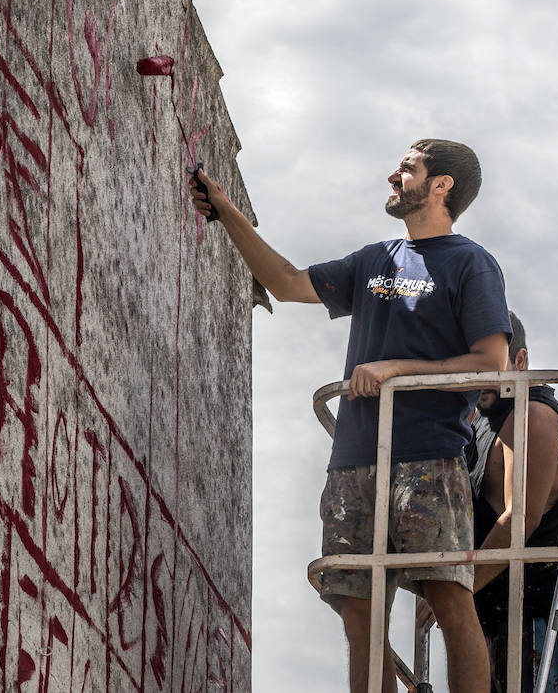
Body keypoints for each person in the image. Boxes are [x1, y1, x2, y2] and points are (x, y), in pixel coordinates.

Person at [190, 139, 510, 693]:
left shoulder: (471, 263)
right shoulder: (373, 260)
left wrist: (395, 370)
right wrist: (226, 212)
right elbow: (287, 284)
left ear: (442, 185)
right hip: (354, 461)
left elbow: (491, 363)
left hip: (428, 457)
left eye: (408, 168)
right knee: (358, 612)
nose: (394, 174)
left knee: (448, 597)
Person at [467, 312, 558, 693]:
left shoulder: (534, 416)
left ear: (520, 361)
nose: (479, 376)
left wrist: (458, 589)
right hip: (493, 609)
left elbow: (520, 519)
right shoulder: (484, 419)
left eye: (491, 365)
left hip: (534, 612)